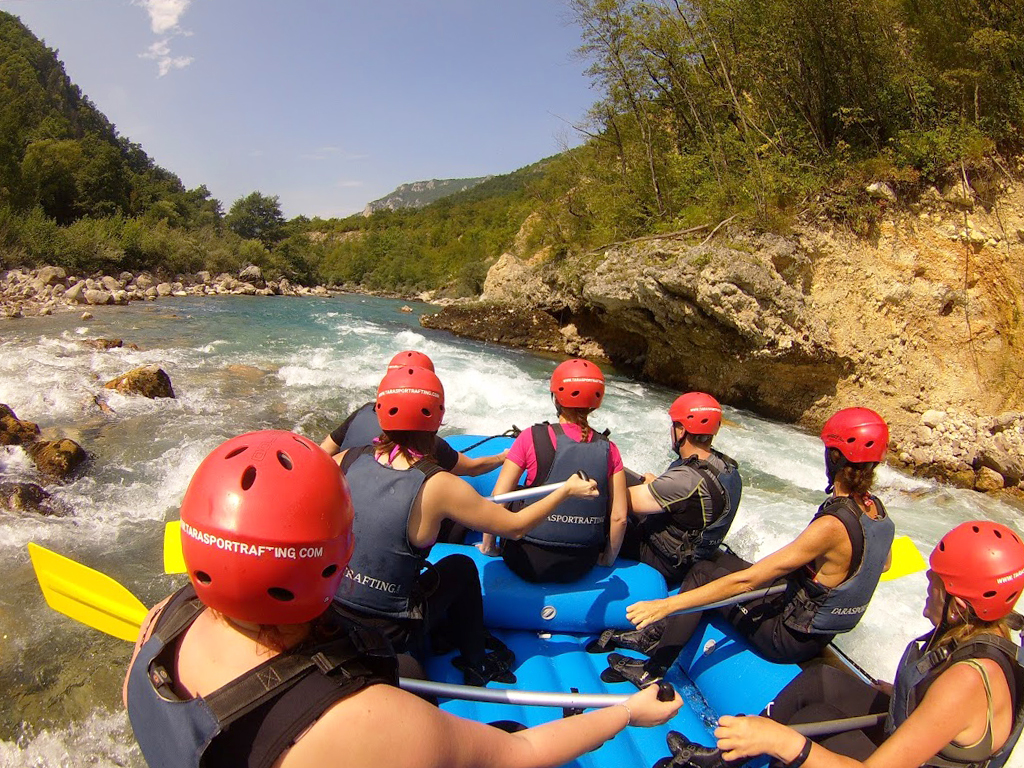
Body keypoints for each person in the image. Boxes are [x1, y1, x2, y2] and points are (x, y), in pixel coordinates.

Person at [123, 429, 683, 768]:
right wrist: (626, 712)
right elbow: (519, 755)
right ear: (335, 553)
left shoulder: (161, 623)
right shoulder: (369, 719)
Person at [659, 520, 1024, 768]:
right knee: (823, 680)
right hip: (925, 729)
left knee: (811, 723)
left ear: (959, 607)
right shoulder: (977, 633)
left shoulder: (966, 681)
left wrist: (784, 743)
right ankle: (724, 758)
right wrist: (899, 692)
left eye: (935, 581)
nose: (927, 584)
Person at [334, 364, 601, 685]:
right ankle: (477, 661)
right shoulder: (440, 485)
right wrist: (566, 490)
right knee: (460, 566)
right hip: (390, 628)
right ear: (436, 416)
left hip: (331, 613)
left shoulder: (345, 460)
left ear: (380, 411)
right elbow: (514, 526)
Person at [603, 407, 895, 688]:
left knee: (704, 574)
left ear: (833, 457)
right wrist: (825, 577)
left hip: (789, 637)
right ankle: (654, 635)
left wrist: (666, 604)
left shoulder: (832, 525)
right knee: (721, 562)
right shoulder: (876, 511)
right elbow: (883, 564)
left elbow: (748, 581)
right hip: (819, 630)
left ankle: (653, 669)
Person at [479, 358, 628, 583]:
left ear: (556, 397)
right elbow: (619, 518)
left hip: (524, 558)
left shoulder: (530, 437)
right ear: (596, 402)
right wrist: (607, 558)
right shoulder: (610, 449)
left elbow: (500, 499)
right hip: (580, 564)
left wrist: (489, 547)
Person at [618, 392, 742, 587]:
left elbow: (621, 500)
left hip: (666, 561)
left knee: (608, 512)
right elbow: (690, 503)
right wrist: (656, 485)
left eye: (674, 424)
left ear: (682, 430)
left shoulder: (684, 479)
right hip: (693, 554)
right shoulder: (727, 468)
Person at [320, 350, 507, 478]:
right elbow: (473, 468)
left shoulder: (362, 412)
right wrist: (503, 457)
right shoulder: (428, 445)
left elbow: (325, 451)